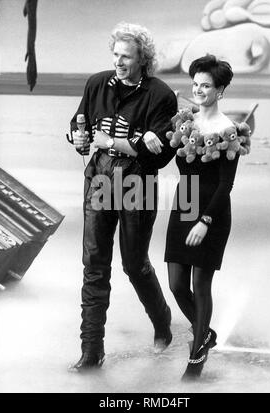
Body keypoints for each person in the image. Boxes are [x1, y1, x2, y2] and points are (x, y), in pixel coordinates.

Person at [67, 22, 178, 372]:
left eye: (126, 56)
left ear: (142, 59)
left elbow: (160, 155)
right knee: (94, 264)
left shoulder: (161, 95)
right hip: (99, 178)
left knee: (134, 263)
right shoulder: (97, 83)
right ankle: (91, 350)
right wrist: (78, 139)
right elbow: (78, 125)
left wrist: (115, 143)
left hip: (137, 183)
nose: (118, 61)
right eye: (115, 54)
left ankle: (163, 323)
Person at [164, 55, 238, 380]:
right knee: (177, 284)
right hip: (185, 202)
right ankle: (205, 334)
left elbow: (226, 185)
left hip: (213, 212)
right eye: (195, 84)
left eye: (205, 85)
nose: (198, 90)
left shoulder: (228, 130)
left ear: (220, 90)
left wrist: (204, 221)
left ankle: (196, 360)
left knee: (200, 284)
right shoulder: (184, 123)